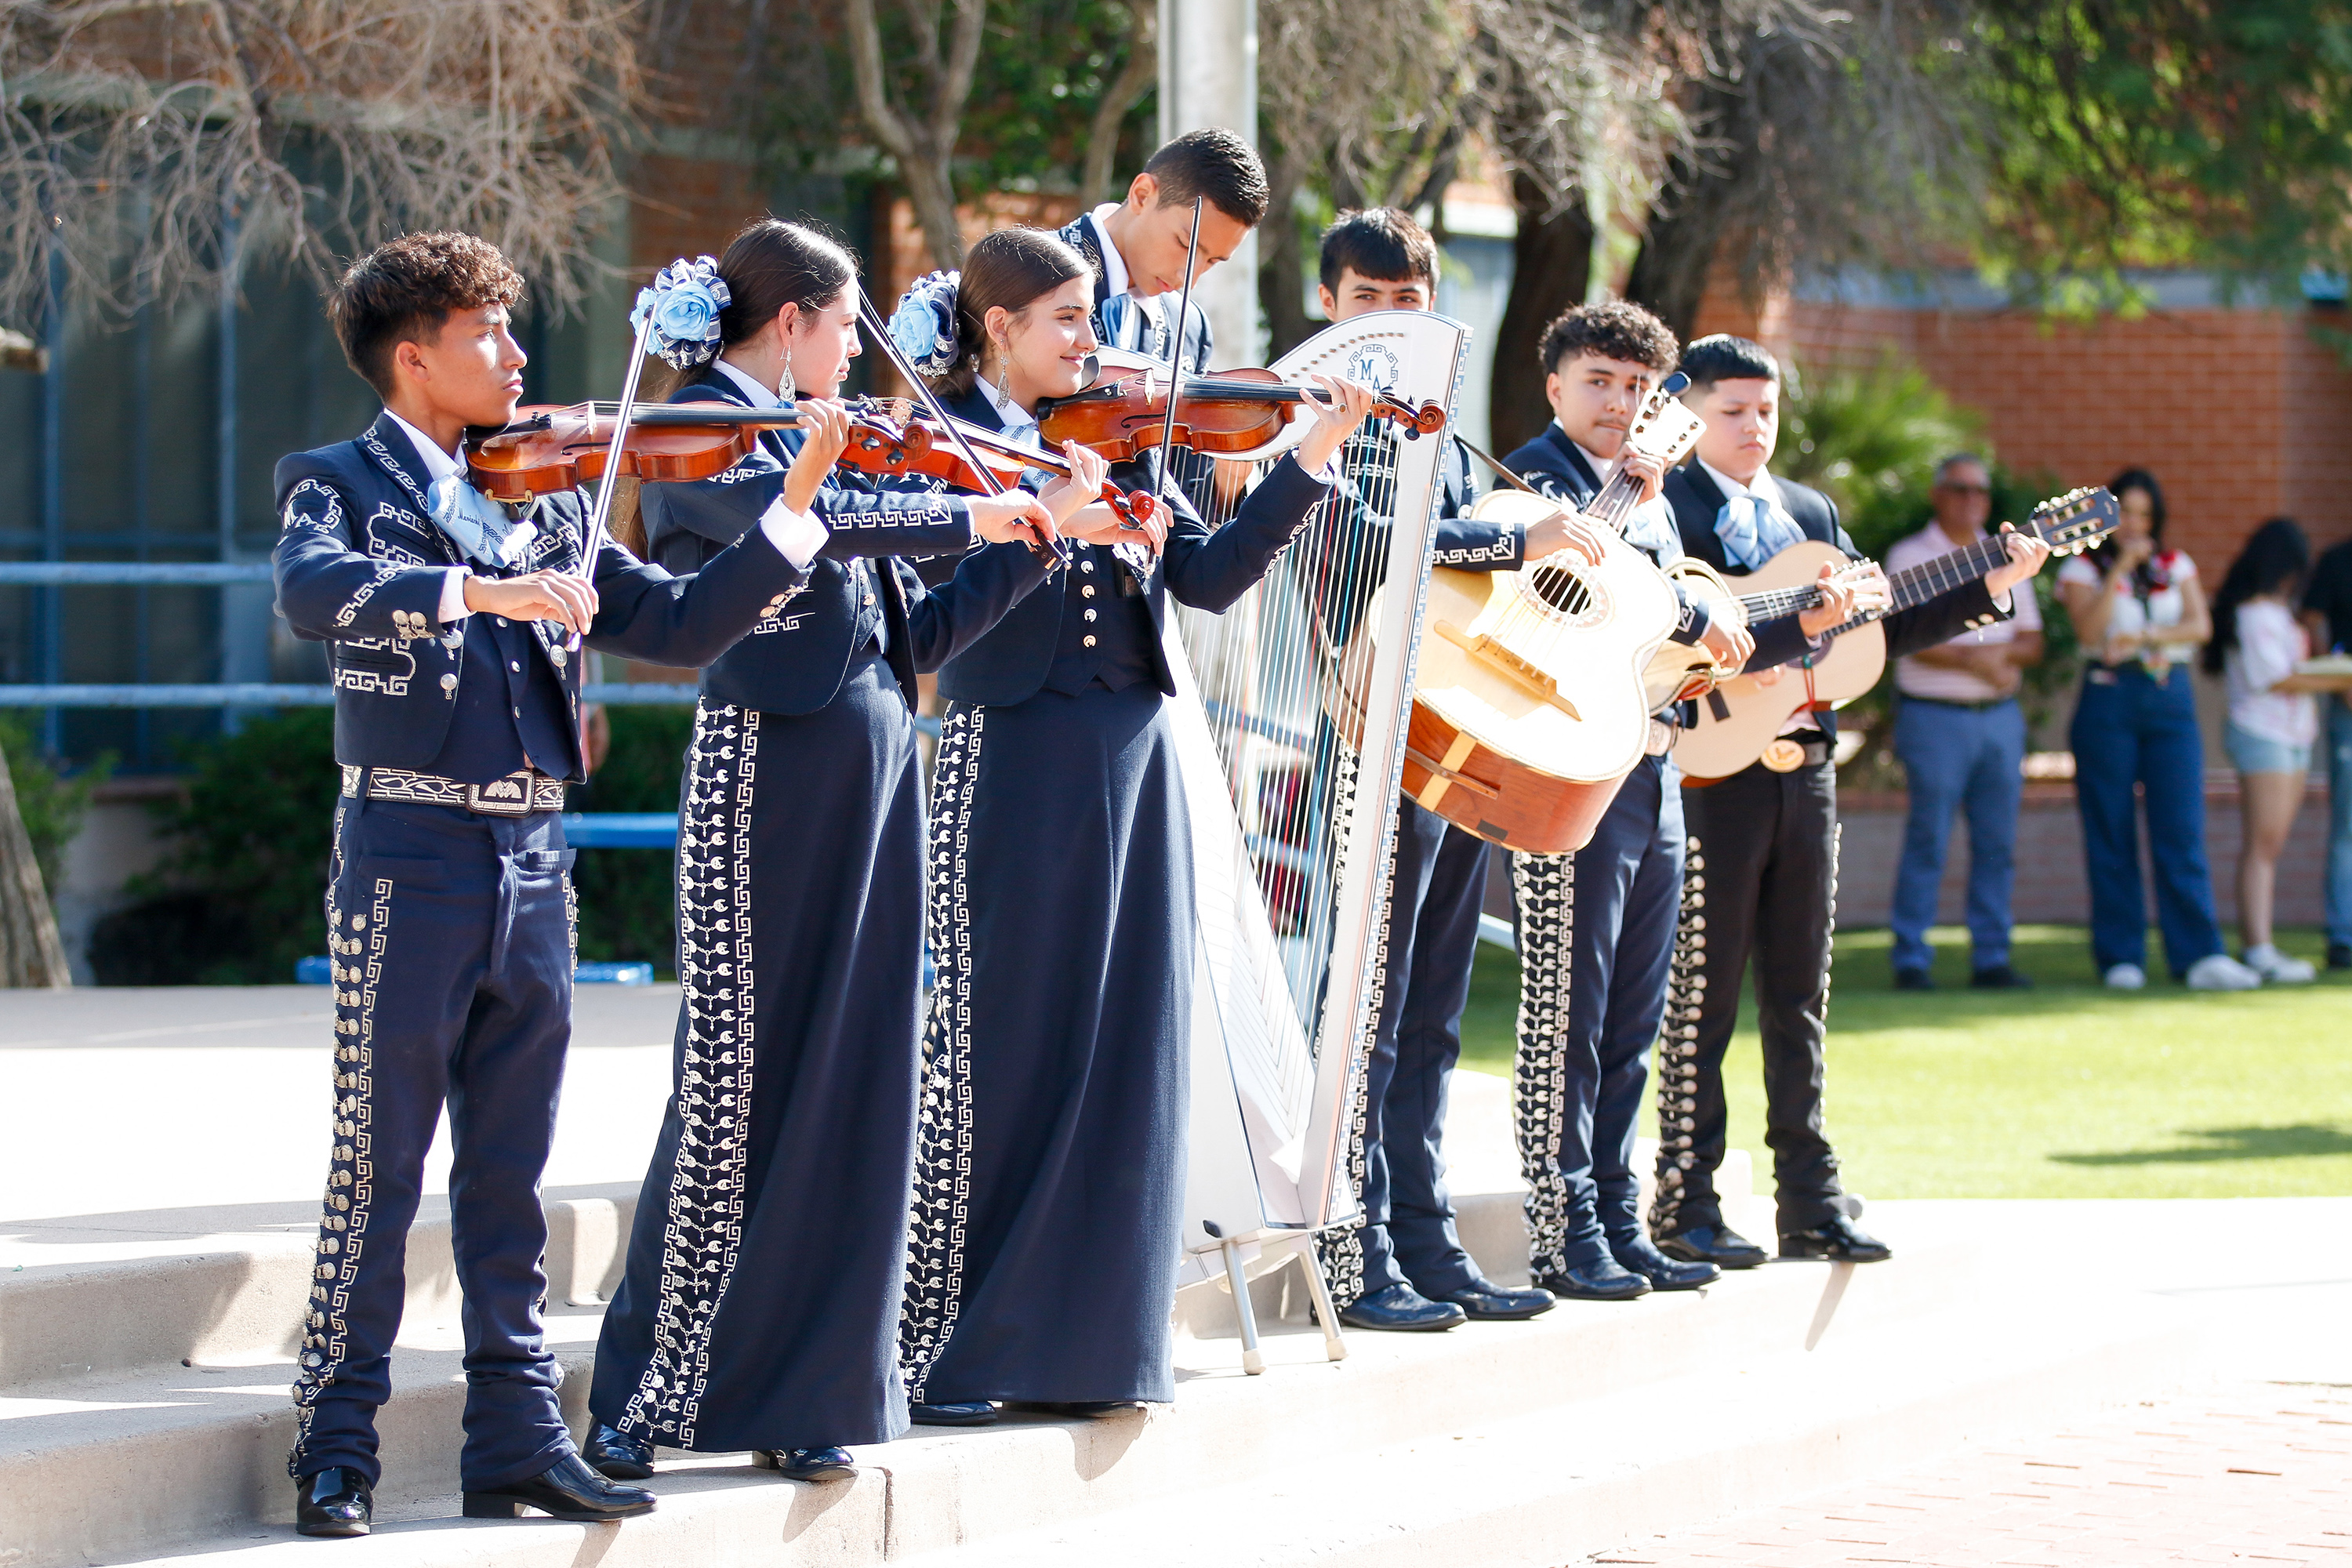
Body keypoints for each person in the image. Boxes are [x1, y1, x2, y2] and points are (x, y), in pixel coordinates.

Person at [272, 232, 817, 1537]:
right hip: (406, 851)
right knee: (381, 1162)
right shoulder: (335, 481)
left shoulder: (555, 491)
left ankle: (513, 1438)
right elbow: (310, 593)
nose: (520, 358)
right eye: (489, 336)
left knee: (511, 1171)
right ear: (416, 359)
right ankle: (335, 1444)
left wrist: (795, 510)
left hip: (531, 856)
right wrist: (482, 588)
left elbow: (679, 628)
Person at [579, 222, 1104, 1486]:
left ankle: (801, 1389)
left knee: (859, 1079)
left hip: (872, 757)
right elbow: (838, 523)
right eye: (847, 318)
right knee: (738, 1083)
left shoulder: (822, 435)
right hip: (769, 766)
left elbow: (917, 633)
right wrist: (987, 505)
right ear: (800, 317)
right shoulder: (698, 424)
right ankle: (641, 1394)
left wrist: (1037, 541)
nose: (862, 345)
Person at [892, 227, 1375, 1421]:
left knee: (1128, 1046)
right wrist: (1049, 521)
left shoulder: (1125, 439)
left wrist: (1310, 454)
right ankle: (961, 1348)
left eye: (1091, 322)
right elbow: (933, 636)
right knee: (1004, 1044)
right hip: (1013, 757)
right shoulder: (943, 447)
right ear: (996, 326)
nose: (1092, 345)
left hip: (1136, 752)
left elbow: (1206, 581)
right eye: (1066, 323)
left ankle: (1093, 1350)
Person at [1650, 343, 2049, 1272]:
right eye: (1735, 409)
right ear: (1694, 415)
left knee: (1801, 993)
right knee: (1701, 997)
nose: (1756, 426)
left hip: (1808, 771)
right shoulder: (1667, 512)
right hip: (1714, 775)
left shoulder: (1810, 513)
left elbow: (1873, 629)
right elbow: (1667, 641)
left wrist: (1986, 585)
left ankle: (1810, 1197)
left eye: (1767, 408)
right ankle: (1687, 1196)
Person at [1498, 302, 1814, 1303]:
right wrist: (1684, 596)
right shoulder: (1531, 476)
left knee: (1636, 1015)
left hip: (1656, 763)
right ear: (1556, 386)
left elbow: (1678, 628)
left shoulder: (1660, 497)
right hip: (1567, 771)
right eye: (1599, 381)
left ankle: (1618, 1217)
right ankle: (1563, 1227)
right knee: (1569, 1013)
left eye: (1638, 387)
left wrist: (1743, 616)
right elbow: (1566, 592)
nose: (1619, 404)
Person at [1308, 209, 1575, 1334]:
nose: (1387, 317)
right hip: (1365, 745)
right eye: (1366, 298)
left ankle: (1423, 1239)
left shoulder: (1445, 433)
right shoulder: (1304, 415)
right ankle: (1351, 1249)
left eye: (1406, 296)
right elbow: (1373, 541)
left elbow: (1459, 567)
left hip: (1451, 747)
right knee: (1367, 1010)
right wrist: (1511, 542)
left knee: (1433, 1010)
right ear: (1327, 307)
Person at [2055, 470, 2260, 990]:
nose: (2135, 524)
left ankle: (2198, 954)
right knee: (2111, 830)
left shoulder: (2175, 564)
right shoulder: (2084, 567)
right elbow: (2088, 628)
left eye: (2145, 514)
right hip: (2109, 699)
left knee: (2180, 827)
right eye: (2125, 512)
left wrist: (2146, 634)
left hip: (2170, 699)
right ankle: (2121, 955)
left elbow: (2199, 625)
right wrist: (2120, 565)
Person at [1884, 453, 2046, 991]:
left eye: (1981, 491)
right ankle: (1912, 956)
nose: (1972, 499)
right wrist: (1972, 660)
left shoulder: (2008, 555)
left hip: (1997, 718)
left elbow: (2031, 638)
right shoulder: (1910, 554)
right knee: (1929, 838)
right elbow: (1898, 633)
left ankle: (1992, 956)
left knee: (1998, 843)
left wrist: (2001, 661)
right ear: (1938, 494)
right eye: (1959, 489)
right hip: (1936, 718)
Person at [2208, 517, 2320, 983]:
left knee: (2272, 843)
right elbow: (2274, 676)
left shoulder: (2282, 613)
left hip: (2295, 732)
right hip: (2263, 731)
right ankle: (2258, 945)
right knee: (2263, 843)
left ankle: (2263, 942)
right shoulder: (2252, 613)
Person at [2300, 532, 2352, 971]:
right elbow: (2315, 619)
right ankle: (2343, 936)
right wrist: (2339, 678)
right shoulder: (2337, 560)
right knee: (2348, 826)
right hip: (2349, 708)